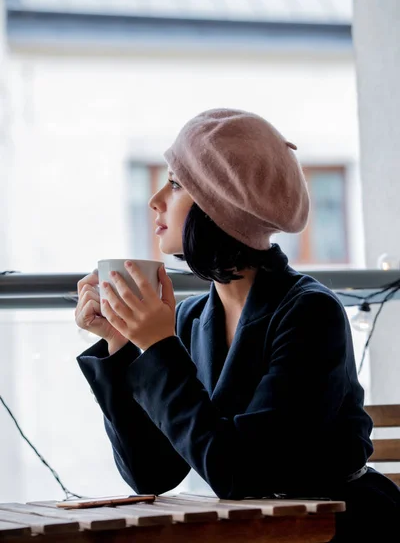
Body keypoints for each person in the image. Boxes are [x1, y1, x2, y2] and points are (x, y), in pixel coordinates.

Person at [75, 109, 400, 542]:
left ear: (221, 203)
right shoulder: (191, 319)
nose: (155, 199)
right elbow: (152, 474)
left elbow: (242, 473)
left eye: (175, 184)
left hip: (345, 529)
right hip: (262, 531)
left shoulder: (310, 313)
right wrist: (123, 345)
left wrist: (157, 346)